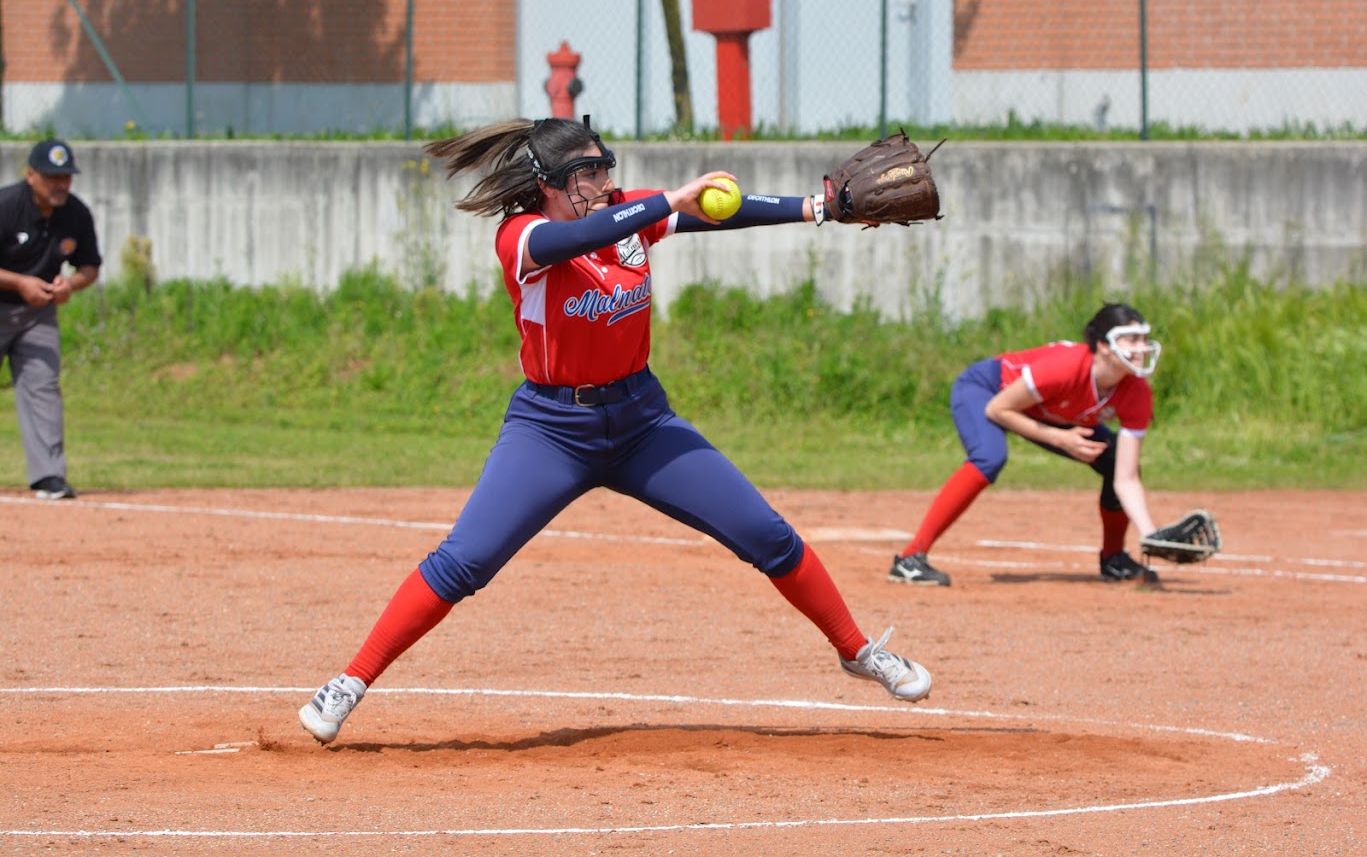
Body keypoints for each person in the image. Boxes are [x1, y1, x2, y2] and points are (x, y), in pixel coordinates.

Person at [298, 116, 932, 744]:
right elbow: (581, 237)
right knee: (463, 562)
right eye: (587, 172)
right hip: (551, 430)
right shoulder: (521, 236)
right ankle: (350, 681)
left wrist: (814, 207)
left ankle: (857, 651)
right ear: (549, 183)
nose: (603, 181)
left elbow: (714, 214)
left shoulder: (626, 213)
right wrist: (666, 201)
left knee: (766, 534)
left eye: (605, 168)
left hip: (641, 422)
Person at [889, 302, 1165, 587]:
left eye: (1144, 339)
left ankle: (1114, 559)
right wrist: (1060, 438)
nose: (1141, 348)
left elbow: (1127, 477)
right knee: (989, 456)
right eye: (1131, 339)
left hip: (1043, 409)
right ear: (1103, 345)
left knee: (1113, 458)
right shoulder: (1066, 367)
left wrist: (1150, 536)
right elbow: (998, 410)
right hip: (989, 391)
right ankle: (910, 559)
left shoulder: (1137, 392)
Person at [0, 138, 101, 500]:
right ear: (31, 175)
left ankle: (48, 476)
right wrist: (20, 282)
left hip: (38, 313)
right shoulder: (6, 207)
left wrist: (69, 285)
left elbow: (90, 266)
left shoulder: (75, 213)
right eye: (51, 176)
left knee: (43, 388)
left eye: (66, 176)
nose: (60, 184)